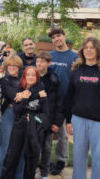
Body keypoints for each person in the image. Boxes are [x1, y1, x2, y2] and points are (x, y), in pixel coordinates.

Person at [65, 37, 100, 179]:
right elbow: (69, 97)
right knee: (78, 158)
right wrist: (68, 120)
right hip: (78, 120)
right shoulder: (76, 70)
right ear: (82, 50)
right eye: (86, 47)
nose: (88, 50)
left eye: (92, 47)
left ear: (98, 50)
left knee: (99, 160)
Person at [1, 66, 49, 179]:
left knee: (31, 157)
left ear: (37, 78)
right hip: (19, 126)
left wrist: (33, 119)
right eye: (28, 75)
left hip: (35, 128)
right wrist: (25, 98)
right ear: (24, 77)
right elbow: (16, 110)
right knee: (12, 156)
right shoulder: (20, 91)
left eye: (33, 75)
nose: (30, 77)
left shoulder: (42, 92)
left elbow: (46, 115)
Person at [48, 27, 78, 175]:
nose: (56, 39)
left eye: (59, 36)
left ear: (65, 36)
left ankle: (61, 160)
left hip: (67, 101)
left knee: (63, 134)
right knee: (47, 132)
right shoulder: (50, 56)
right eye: (53, 37)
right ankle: (46, 160)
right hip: (51, 101)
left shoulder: (74, 57)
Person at [36, 51, 64, 179]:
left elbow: (59, 103)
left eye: (42, 61)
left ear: (49, 63)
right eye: (38, 61)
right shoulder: (32, 76)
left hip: (48, 119)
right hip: (34, 118)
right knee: (32, 146)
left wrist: (57, 122)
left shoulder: (54, 80)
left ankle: (44, 173)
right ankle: (30, 170)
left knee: (47, 148)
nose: (39, 63)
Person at [0, 55, 25, 179]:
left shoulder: (24, 79)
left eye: (15, 65)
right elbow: (12, 95)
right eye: (9, 65)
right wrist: (25, 94)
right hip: (9, 112)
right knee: (6, 146)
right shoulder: (4, 80)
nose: (12, 67)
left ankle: (18, 176)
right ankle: (2, 175)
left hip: (23, 113)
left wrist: (26, 94)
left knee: (21, 147)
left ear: (19, 67)